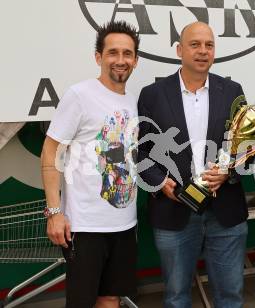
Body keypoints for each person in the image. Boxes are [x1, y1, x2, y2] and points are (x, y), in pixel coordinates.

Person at [137, 21, 248, 308]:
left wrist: (227, 172)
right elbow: (142, 154)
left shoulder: (233, 90)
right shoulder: (153, 95)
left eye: (209, 45)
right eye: (194, 44)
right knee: (176, 296)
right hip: (174, 210)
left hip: (225, 211)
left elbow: (246, 147)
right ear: (179, 50)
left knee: (230, 295)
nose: (203, 51)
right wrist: (161, 183)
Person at [40, 21, 139, 308]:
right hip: (85, 226)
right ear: (99, 57)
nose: (120, 60)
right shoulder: (79, 95)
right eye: (112, 53)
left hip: (124, 223)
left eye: (127, 53)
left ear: (135, 59)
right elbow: (49, 155)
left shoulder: (132, 101)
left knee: (110, 297)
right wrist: (54, 212)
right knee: (82, 301)